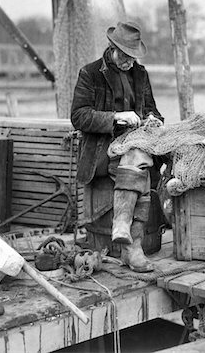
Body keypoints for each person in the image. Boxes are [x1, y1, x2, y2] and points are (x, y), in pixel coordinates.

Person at [71, 21, 163, 272]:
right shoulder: (90, 73)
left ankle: (123, 228)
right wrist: (116, 117)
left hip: (136, 144)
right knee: (139, 169)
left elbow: (153, 110)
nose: (129, 62)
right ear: (112, 48)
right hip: (103, 148)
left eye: (133, 57)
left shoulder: (140, 74)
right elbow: (79, 116)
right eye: (125, 56)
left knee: (138, 159)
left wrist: (154, 120)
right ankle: (132, 249)